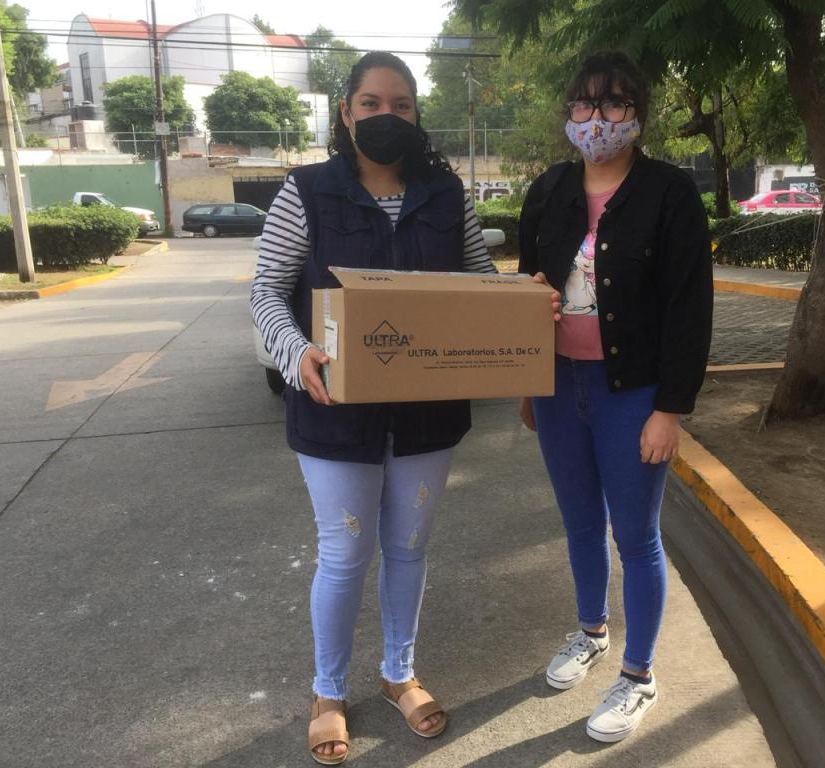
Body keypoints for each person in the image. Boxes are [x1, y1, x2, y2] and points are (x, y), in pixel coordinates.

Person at [250, 51, 500, 765]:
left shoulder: (447, 195)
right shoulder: (307, 191)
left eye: (401, 105)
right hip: (336, 409)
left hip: (426, 412)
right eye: (371, 104)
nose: (386, 116)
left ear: (417, 115)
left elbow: (480, 281)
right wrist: (296, 353)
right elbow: (267, 289)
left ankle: (399, 674)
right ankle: (328, 691)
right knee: (344, 553)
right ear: (346, 112)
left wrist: (521, 300)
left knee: (410, 548)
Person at [518, 50, 713, 743]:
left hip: (632, 393)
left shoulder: (669, 192)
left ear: (638, 114)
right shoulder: (548, 189)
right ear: (568, 112)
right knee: (577, 523)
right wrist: (527, 377)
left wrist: (670, 409)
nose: (596, 118)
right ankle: (592, 631)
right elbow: (527, 287)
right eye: (584, 103)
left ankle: (639, 675)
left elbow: (690, 307)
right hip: (557, 384)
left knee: (634, 535)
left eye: (614, 103)